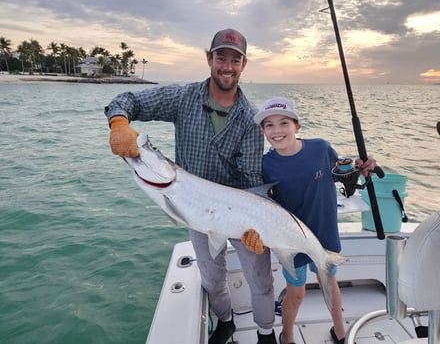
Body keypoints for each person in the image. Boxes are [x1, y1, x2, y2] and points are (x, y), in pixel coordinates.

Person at [104, 29, 277, 344]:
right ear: (209, 59)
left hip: (238, 211)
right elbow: (126, 100)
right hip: (195, 208)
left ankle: (266, 335)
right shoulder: (182, 98)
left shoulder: (251, 119)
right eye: (220, 57)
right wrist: (119, 121)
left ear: (244, 64)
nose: (227, 66)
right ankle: (225, 323)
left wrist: (256, 227)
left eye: (234, 60)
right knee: (212, 279)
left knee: (261, 281)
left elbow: (251, 177)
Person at [241, 97, 376, 344]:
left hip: (324, 235)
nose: (277, 131)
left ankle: (340, 331)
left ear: (297, 126)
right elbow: (263, 206)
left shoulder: (321, 149)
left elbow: (341, 175)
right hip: (291, 241)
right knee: (296, 294)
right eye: (269, 125)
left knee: (330, 283)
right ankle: (288, 335)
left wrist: (359, 169)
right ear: (262, 131)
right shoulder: (265, 165)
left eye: (283, 123)